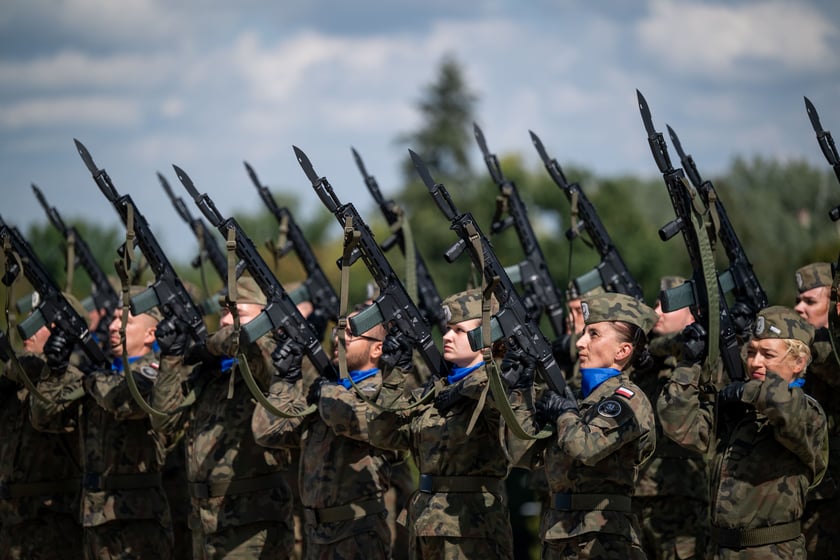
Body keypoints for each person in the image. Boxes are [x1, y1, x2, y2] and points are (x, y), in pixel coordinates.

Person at [367, 288, 530, 559]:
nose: (446, 337)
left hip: (471, 531)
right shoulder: (438, 389)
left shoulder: (498, 387)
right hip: (426, 527)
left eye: (458, 330)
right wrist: (395, 373)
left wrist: (467, 385)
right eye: (447, 329)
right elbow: (383, 435)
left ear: (487, 337)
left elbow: (507, 408)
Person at [658, 305, 828, 558]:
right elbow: (679, 425)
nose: (755, 362)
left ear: (798, 361)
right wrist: (689, 364)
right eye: (751, 352)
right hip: (718, 550)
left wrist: (743, 391)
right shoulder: (742, 412)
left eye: (768, 354)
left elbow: (783, 405)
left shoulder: (808, 413)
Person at [150, 276, 294, 559]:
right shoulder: (216, 371)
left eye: (237, 313)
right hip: (205, 523)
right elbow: (165, 421)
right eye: (224, 313)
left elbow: (249, 341)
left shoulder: (274, 361)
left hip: (251, 526)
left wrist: (207, 345)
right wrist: (171, 359)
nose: (227, 320)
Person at [30, 286, 174, 559]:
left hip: (136, 521)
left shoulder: (157, 372)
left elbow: (123, 400)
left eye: (126, 321)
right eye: (114, 318)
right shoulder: (102, 372)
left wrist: (89, 378)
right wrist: (55, 370)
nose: (112, 326)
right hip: (93, 517)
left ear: (150, 334)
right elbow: (43, 417)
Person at [252, 306, 398, 559]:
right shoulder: (326, 389)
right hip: (316, 535)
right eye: (337, 332)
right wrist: (284, 380)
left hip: (358, 534)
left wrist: (326, 392)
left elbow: (352, 416)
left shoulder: (381, 396)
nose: (339, 339)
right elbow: (268, 432)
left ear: (377, 348)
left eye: (351, 335)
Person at [532, 292, 657, 559]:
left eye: (594, 335)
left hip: (603, 542)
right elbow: (521, 454)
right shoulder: (576, 397)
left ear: (623, 351)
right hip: (558, 536)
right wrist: (519, 386)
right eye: (584, 333)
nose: (580, 343)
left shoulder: (628, 400)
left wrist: (564, 414)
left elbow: (586, 447)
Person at [0, 293, 88, 559]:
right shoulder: (19, 380)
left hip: (52, 524)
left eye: (37, 321)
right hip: (10, 521)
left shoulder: (74, 380)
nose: (27, 326)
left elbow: (46, 416)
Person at [632, 276, 709, 559]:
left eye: (666, 305)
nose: (657, 312)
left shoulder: (707, 360)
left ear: (692, 312)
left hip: (683, 496)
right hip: (640, 492)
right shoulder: (646, 358)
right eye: (655, 303)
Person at [792, 262, 840, 559]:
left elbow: (827, 355)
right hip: (807, 496)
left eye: (810, 301)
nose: (799, 308)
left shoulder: (825, 351)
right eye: (798, 299)